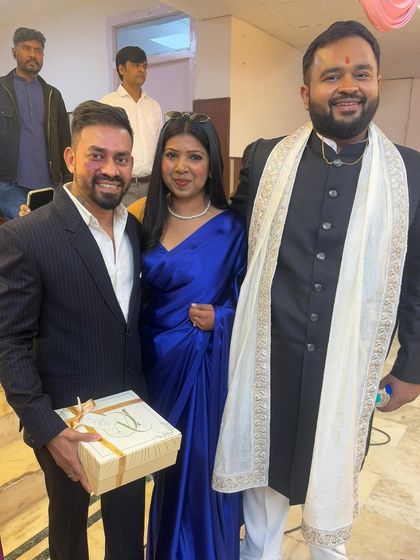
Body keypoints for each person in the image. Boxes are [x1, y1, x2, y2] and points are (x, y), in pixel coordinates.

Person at [213, 20, 420, 559]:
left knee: (332, 502)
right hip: (269, 363)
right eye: (332, 76)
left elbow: (417, 277)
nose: (348, 85)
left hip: (346, 367)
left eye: (361, 74)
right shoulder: (265, 159)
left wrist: (412, 368)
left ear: (378, 84)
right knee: (261, 496)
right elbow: (227, 244)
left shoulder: (409, 174)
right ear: (306, 93)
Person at [0, 100, 147, 560]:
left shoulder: (134, 229)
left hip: (130, 413)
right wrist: (48, 430)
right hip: (67, 423)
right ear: (70, 158)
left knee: (127, 528)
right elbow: (8, 343)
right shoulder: (28, 236)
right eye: (96, 155)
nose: (111, 170)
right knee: (68, 534)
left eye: (121, 158)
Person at [140, 111, 246, 559]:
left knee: (199, 472)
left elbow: (253, 305)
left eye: (194, 157)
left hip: (203, 374)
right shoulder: (141, 221)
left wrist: (221, 319)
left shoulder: (232, 228)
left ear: (211, 164)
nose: (181, 167)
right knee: (162, 477)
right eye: (171, 155)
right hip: (151, 371)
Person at [0, 27, 71, 220]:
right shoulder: (1, 89)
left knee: (52, 230)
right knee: (27, 231)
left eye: (38, 50)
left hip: (50, 185)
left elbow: (65, 140)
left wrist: (68, 181)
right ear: (14, 52)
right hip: (9, 186)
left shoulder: (53, 95)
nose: (33, 54)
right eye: (26, 48)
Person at [101, 46, 163, 205]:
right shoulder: (107, 104)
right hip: (121, 183)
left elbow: (160, 144)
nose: (142, 70)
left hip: (151, 184)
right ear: (121, 69)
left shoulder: (154, 106)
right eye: (136, 65)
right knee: (123, 222)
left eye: (144, 66)